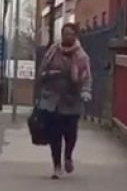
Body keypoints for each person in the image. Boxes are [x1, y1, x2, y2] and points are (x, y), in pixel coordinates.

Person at [36, 23, 92, 179]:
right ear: (61, 35)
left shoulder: (81, 56)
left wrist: (85, 91)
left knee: (70, 132)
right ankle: (56, 166)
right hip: (53, 99)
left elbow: (86, 76)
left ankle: (68, 156)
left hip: (71, 99)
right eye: (66, 33)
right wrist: (48, 75)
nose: (68, 37)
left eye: (71, 34)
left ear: (75, 36)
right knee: (54, 134)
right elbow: (42, 71)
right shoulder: (53, 52)